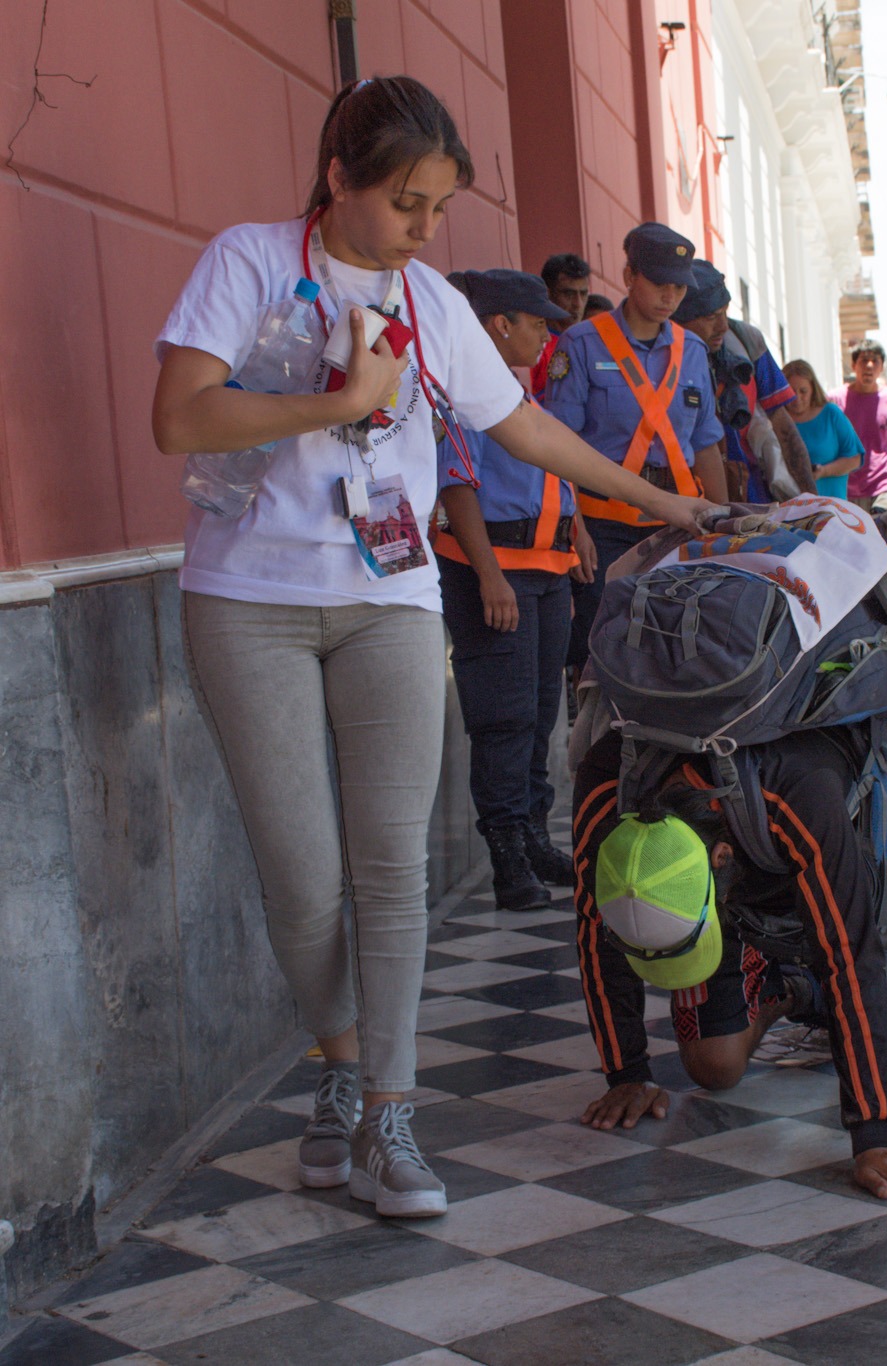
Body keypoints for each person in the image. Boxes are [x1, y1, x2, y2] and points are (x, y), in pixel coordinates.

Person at [151, 77, 713, 1219]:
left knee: (392, 869)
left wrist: (660, 501)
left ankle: (388, 1114)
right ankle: (339, 1065)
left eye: (438, 206)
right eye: (405, 202)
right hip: (247, 600)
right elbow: (180, 416)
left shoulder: (431, 302)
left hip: (393, 597)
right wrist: (339, 402)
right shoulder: (250, 260)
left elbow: (524, 424)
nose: (422, 228)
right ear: (339, 176)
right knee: (303, 878)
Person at [572, 727, 887, 1202]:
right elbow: (593, 930)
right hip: (723, 898)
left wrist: (874, 1138)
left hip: (802, 881)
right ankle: (788, 983)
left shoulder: (793, 788)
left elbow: (847, 953)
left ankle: (886, 941)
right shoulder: (608, 784)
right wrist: (626, 1072)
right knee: (714, 1066)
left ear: (720, 859)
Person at [433, 270, 590, 911]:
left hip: (546, 568)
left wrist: (576, 526)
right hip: (492, 571)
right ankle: (506, 857)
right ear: (499, 324)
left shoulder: (518, 392)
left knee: (539, 713)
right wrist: (489, 574)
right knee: (503, 719)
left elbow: (550, 466)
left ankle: (532, 836)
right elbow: (457, 486)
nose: (546, 333)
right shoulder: (465, 392)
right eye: (537, 321)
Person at [543, 223, 728, 675]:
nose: (670, 296)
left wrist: (724, 521)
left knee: (675, 646)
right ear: (629, 276)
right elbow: (555, 446)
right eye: (659, 282)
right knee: (605, 647)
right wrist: (575, 529)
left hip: (676, 522)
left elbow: (706, 444)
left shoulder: (693, 351)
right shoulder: (582, 344)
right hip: (604, 527)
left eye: (679, 286)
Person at [672, 260, 814, 501]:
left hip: (755, 496)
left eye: (725, 312)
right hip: (685, 498)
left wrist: (813, 501)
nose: (723, 326)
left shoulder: (747, 341)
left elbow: (783, 427)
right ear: (680, 319)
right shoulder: (662, 355)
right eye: (710, 317)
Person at [835, 340, 887, 513]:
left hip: (884, 486)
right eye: (864, 360)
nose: (869, 366)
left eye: (875, 361)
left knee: (883, 535)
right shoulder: (835, 401)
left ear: (882, 366)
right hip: (845, 488)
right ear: (853, 364)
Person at [783, 358, 864, 499]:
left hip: (831, 508)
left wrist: (824, 471)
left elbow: (854, 458)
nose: (797, 397)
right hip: (789, 509)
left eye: (803, 391)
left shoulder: (831, 414)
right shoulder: (777, 421)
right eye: (791, 391)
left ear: (813, 389)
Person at [529, 251, 591, 397]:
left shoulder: (593, 343)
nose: (578, 304)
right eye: (569, 294)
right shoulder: (533, 344)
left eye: (583, 294)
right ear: (548, 294)